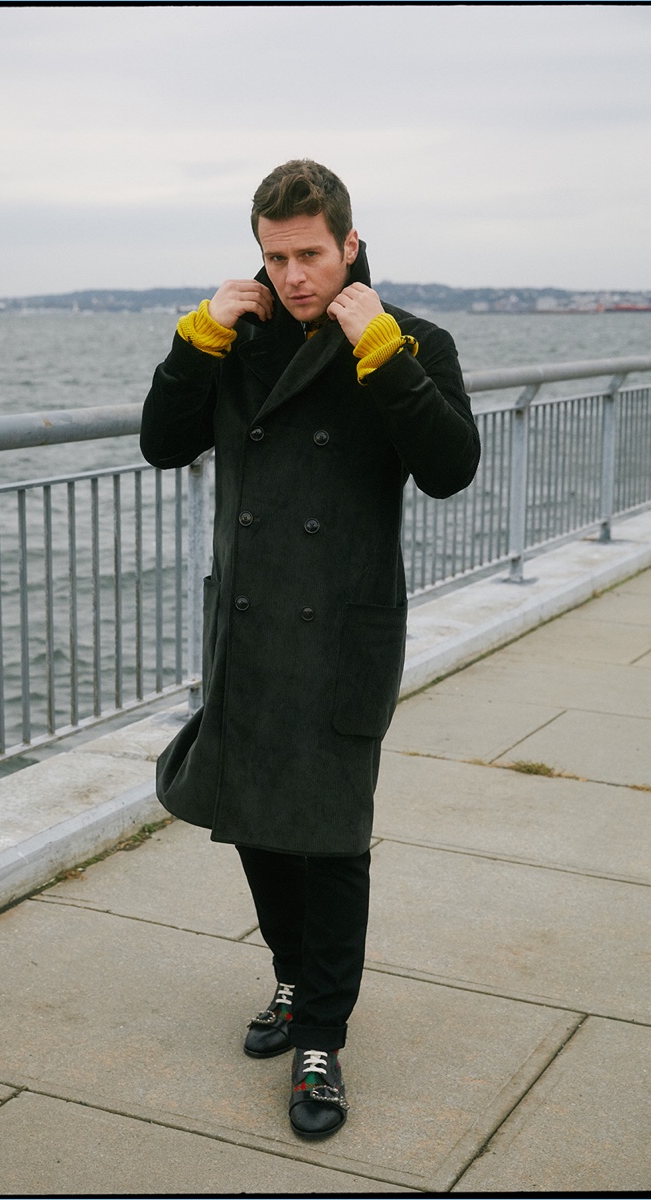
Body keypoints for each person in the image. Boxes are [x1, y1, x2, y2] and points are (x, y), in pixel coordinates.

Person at [140, 159, 480, 1139]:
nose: (292, 275)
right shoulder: (235, 341)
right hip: (246, 624)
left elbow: (450, 468)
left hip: (339, 630)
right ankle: (293, 983)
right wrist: (196, 336)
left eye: (310, 255)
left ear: (349, 245)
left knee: (327, 836)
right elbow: (164, 441)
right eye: (274, 255)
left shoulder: (410, 340)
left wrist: (385, 354)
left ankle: (321, 1041)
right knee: (249, 816)